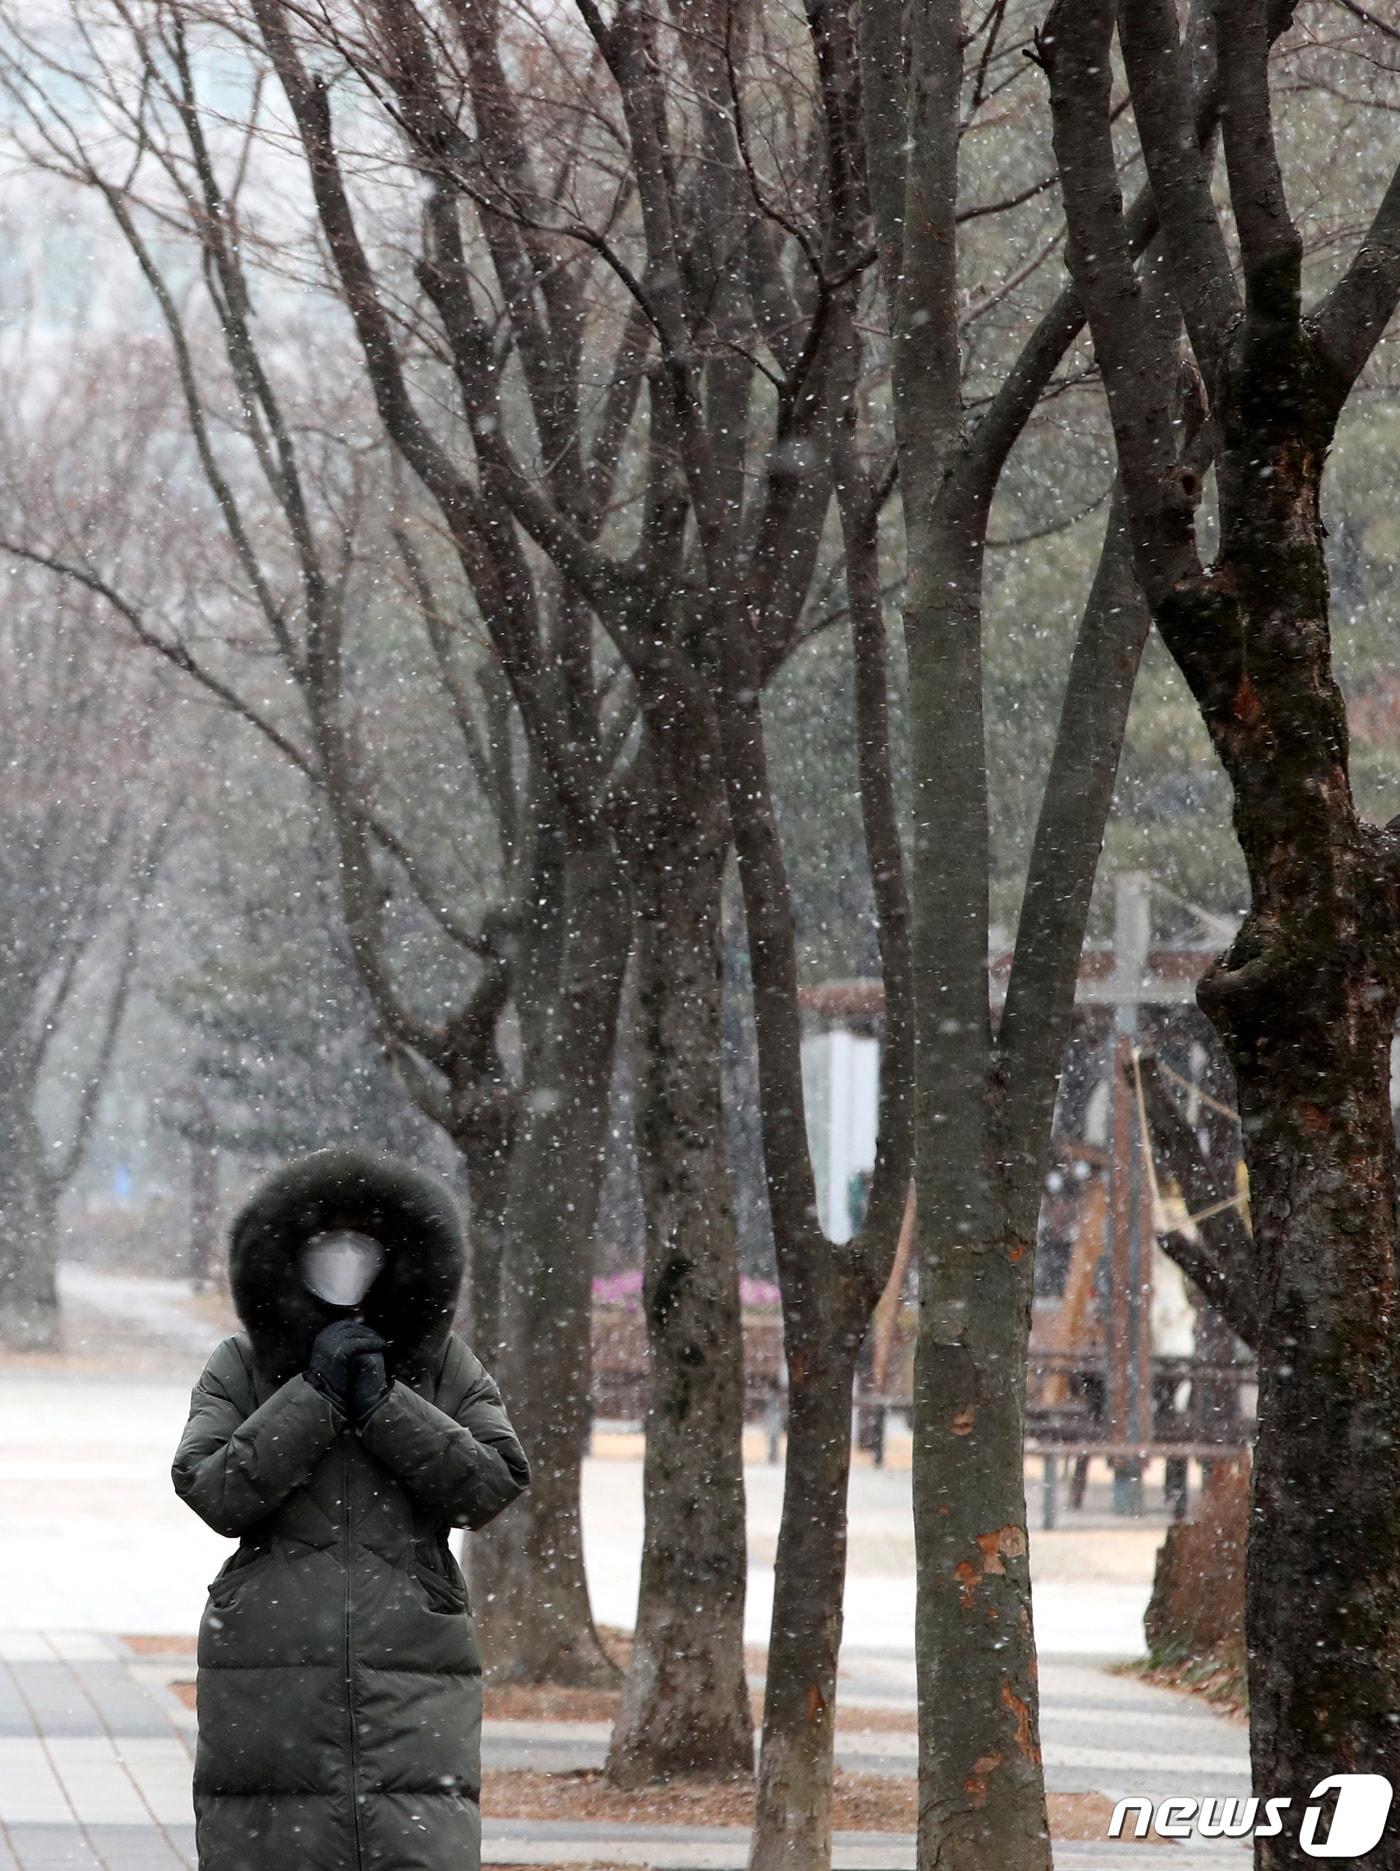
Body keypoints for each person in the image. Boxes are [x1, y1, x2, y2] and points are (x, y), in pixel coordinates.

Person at [171, 1146, 530, 1871]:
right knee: (270, 1845)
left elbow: (490, 1482)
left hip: (413, 1658)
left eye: (363, 1239)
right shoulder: (240, 1364)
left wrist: (384, 1402)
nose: (344, 1255)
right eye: (325, 1239)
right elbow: (214, 1488)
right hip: (270, 1656)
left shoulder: (443, 1364)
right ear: (286, 1254)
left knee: (413, 1840)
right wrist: (314, 1393)